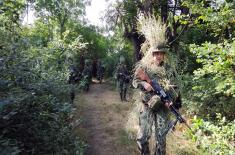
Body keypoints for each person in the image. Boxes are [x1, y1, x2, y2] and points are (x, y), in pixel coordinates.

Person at [132, 44, 182, 155]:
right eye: (156, 53)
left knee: (161, 139)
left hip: (162, 108)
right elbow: (135, 82)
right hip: (146, 106)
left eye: (161, 53)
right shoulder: (144, 67)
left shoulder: (169, 70)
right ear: (152, 54)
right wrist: (144, 83)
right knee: (143, 137)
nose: (158, 56)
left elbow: (175, 89)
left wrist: (169, 99)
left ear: (164, 55)